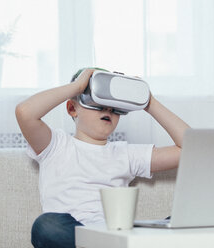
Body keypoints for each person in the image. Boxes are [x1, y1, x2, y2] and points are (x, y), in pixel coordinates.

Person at [15, 68, 190, 248]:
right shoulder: (55, 145)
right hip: (75, 237)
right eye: (97, 103)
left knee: (184, 220)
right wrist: (78, 86)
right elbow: (25, 112)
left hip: (115, 238)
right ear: (72, 108)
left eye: (114, 107)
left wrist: (149, 102)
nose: (107, 109)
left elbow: (189, 149)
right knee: (46, 225)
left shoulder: (126, 154)